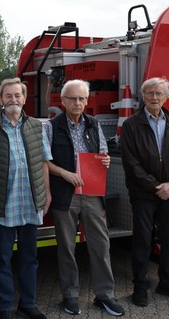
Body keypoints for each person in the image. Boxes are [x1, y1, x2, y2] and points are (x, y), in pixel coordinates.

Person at [44, 80, 125, 317]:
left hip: (91, 194)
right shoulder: (51, 127)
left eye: (81, 98)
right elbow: (44, 162)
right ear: (63, 101)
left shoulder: (94, 124)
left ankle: (105, 295)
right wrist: (65, 173)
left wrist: (105, 160)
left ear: (87, 101)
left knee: (101, 245)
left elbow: (102, 153)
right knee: (67, 248)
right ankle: (70, 295)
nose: (77, 103)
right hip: (65, 195)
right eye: (72, 98)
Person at [0, 78, 51, 319]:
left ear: (24, 98)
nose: (13, 100)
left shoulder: (37, 127)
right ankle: (4, 308)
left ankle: (27, 304)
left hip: (30, 204)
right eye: (8, 96)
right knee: (3, 260)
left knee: (30, 259)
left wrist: (47, 193)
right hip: (3, 205)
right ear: (0, 100)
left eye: (17, 95)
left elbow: (43, 163)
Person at [121, 77, 169, 307]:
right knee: (142, 240)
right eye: (150, 93)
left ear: (166, 97)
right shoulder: (132, 124)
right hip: (144, 193)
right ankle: (140, 286)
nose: (154, 97)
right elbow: (130, 162)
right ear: (143, 96)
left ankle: (168, 284)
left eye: (159, 93)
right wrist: (155, 186)